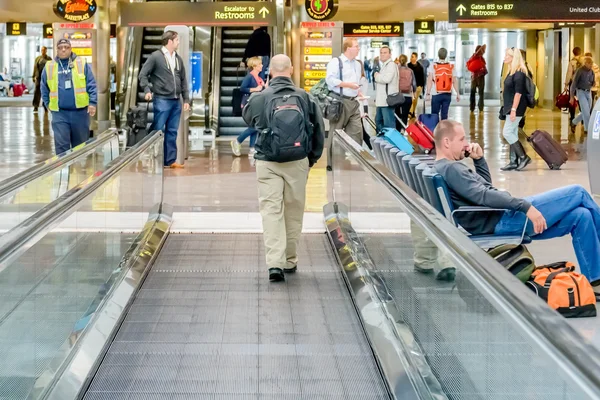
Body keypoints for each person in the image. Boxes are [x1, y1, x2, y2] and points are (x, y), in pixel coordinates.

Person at [434, 119, 600, 289]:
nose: (466, 144)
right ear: (446, 142)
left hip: (498, 218)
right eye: (461, 139)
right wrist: (525, 207)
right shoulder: (452, 169)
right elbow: (484, 196)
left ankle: (595, 281)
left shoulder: (444, 168)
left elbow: (485, 189)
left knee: (582, 216)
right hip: (505, 219)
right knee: (578, 192)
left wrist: (479, 160)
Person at [242, 54, 325, 282]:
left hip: (268, 161)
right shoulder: (304, 97)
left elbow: (249, 120)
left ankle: (274, 264)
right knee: (293, 211)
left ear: (270, 72)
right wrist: (311, 160)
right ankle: (289, 260)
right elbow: (318, 130)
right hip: (298, 161)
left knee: (271, 211)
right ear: (291, 70)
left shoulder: (261, 97)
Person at [139, 30, 190, 169]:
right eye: (177, 40)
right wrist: (147, 90)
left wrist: (186, 99)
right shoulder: (156, 57)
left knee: (172, 131)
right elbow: (143, 75)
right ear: (170, 41)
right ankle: (147, 152)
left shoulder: (178, 59)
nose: (178, 42)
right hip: (162, 98)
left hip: (176, 100)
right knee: (158, 128)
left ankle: (170, 160)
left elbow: (183, 80)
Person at [40, 39, 97, 155]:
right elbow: (44, 87)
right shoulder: (49, 66)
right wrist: (47, 104)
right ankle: (63, 172)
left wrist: (92, 103)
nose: (63, 49)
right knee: (61, 147)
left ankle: (79, 171)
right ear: (57, 50)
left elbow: (91, 84)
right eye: (60, 47)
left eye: (66, 47)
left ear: (71, 49)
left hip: (80, 113)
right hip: (60, 113)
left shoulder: (81, 63)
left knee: (80, 147)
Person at [325, 37, 363, 170]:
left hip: (353, 102)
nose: (358, 48)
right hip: (339, 101)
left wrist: (358, 92)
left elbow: (356, 83)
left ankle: (354, 158)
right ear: (348, 48)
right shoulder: (336, 62)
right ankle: (331, 163)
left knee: (357, 131)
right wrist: (348, 85)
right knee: (335, 131)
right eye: (356, 46)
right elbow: (330, 80)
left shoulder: (358, 64)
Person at [500, 47, 531, 172]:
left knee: (507, 132)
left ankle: (523, 157)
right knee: (511, 132)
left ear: (514, 58)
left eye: (507, 55)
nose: (505, 57)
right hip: (510, 107)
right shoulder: (511, 71)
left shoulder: (519, 73)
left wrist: (513, 110)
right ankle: (513, 161)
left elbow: (518, 94)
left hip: (516, 108)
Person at [231, 56, 265, 158]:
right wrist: (255, 89)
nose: (262, 66)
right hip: (248, 105)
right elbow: (242, 88)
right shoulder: (249, 77)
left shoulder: (259, 78)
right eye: (260, 64)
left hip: (255, 104)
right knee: (255, 126)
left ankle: (252, 148)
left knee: (254, 126)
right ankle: (238, 141)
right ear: (254, 66)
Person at [426, 48, 459, 121]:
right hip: (447, 94)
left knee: (434, 114)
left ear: (438, 55)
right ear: (446, 55)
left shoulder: (433, 66)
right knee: (444, 115)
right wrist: (458, 93)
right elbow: (454, 81)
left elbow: (429, 80)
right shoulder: (451, 66)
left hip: (436, 94)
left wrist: (428, 93)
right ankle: (443, 131)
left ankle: (435, 131)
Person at [373, 46, 398, 132]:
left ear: (390, 54)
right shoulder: (385, 65)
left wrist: (376, 76)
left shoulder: (391, 65)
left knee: (388, 124)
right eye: (381, 53)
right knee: (379, 121)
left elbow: (386, 79)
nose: (382, 55)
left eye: (385, 53)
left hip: (387, 101)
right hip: (382, 101)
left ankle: (390, 143)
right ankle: (382, 141)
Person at [570, 56, 595, 135]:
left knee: (585, 111)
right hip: (581, 92)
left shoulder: (592, 72)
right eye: (589, 63)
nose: (591, 65)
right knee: (586, 112)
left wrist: (593, 83)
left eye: (592, 64)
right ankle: (587, 130)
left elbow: (593, 82)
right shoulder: (579, 71)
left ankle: (573, 122)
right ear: (586, 63)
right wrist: (571, 97)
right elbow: (573, 84)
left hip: (589, 92)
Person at [565, 47, 584, 131]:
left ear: (573, 53)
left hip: (573, 84)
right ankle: (583, 120)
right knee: (581, 102)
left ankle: (572, 119)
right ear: (580, 52)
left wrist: (566, 84)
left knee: (572, 101)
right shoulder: (583, 62)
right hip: (582, 85)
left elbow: (569, 73)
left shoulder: (572, 62)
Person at [396, 54, 416, 130]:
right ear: (406, 61)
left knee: (397, 114)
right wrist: (414, 94)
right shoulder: (410, 71)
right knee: (405, 115)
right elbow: (414, 83)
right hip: (407, 96)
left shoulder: (396, 70)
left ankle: (397, 130)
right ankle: (403, 129)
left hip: (397, 95)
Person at [467, 44, 487, 113]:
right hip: (480, 77)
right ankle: (480, 108)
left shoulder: (474, 57)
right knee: (481, 93)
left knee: (472, 93)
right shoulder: (477, 57)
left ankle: (472, 108)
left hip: (474, 77)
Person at [32, 46, 51, 113]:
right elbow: (35, 68)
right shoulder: (38, 59)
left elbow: (51, 68)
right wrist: (33, 76)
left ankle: (45, 106)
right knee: (37, 92)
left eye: (44, 50)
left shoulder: (49, 59)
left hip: (47, 77)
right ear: (41, 51)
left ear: (46, 51)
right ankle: (35, 106)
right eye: (42, 50)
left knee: (46, 92)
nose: (43, 51)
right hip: (38, 77)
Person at [408, 52, 425, 117]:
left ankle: (411, 112)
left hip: (418, 86)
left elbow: (422, 77)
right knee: (413, 99)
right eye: (411, 56)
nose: (411, 58)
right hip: (410, 86)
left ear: (416, 58)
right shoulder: (408, 66)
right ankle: (412, 112)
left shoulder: (420, 67)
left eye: (413, 57)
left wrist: (422, 86)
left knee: (415, 99)